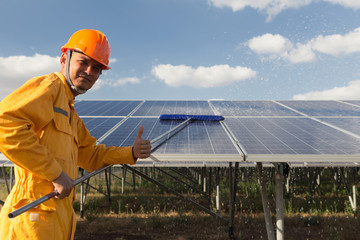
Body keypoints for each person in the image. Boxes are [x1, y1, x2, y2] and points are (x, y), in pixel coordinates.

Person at [0, 29, 152, 240]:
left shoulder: (70, 112)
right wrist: (55, 173)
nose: (89, 72)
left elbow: (91, 155)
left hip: (56, 217)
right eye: (83, 62)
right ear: (64, 58)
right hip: (33, 218)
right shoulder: (49, 88)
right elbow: (4, 123)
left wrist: (131, 153)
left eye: (97, 68)